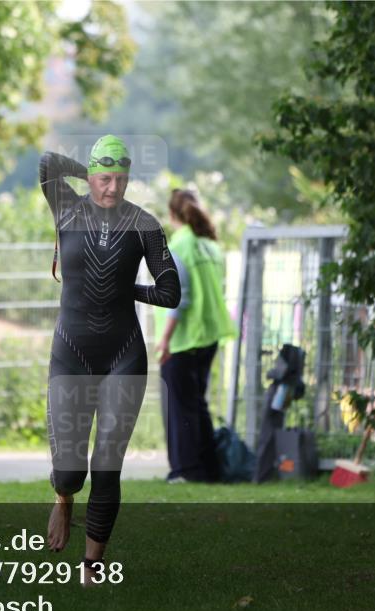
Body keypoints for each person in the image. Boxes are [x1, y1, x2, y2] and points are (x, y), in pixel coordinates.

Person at [39, 135, 180, 585]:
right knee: (70, 468)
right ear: (91, 176)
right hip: (71, 352)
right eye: (104, 178)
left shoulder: (144, 224)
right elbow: (47, 162)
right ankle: (63, 498)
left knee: (107, 464)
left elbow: (170, 290)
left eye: (120, 179)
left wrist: (128, 291)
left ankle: (92, 567)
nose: (112, 188)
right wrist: (87, 174)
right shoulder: (66, 207)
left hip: (124, 355)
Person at [154, 189, 235, 483]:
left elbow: (178, 297)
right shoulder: (209, 246)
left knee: (180, 406)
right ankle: (208, 468)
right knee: (198, 403)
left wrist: (164, 340)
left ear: (172, 215)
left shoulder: (179, 246)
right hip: (209, 335)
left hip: (184, 338)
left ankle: (185, 470)